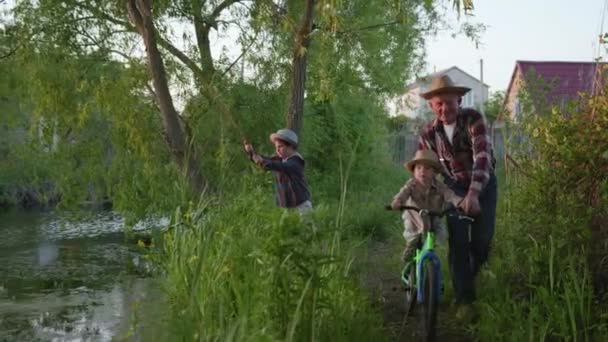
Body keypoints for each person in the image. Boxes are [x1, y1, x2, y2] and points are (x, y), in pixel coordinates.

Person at [417, 74, 498, 319]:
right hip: (454, 187)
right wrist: (422, 195)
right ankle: (465, 300)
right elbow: (425, 168)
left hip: (483, 184)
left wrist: (473, 195)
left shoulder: (473, 119)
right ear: (431, 105)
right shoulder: (428, 132)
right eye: (438, 103)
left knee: (481, 243)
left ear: (459, 100)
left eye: (449, 102)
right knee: (459, 240)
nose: (444, 108)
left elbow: (482, 161)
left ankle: (471, 276)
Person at [391, 149, 462, 270]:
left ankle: (429, 247)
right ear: (413, 171)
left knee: (442, 234)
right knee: (411, 230)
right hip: (414, 215)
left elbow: (449, 194)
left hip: (432, 215)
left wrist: (458, 201)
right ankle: (411, 247)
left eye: (427, 169)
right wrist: (398, 201)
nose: (422, 172)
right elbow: (403, 193)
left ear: (434, 172)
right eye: (418, 168)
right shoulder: (411, 184)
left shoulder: (439, 186)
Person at [243, 128, 312, 214]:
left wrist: (262, 161)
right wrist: (251, 152)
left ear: (290, 146)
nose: (277, 150)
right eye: (276, 147)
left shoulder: (296, 161)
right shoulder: (279, 159)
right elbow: (265, 160)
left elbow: (281, 166)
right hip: (286, 207)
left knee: (306, 227)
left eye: (280, 146)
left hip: (301, 206)